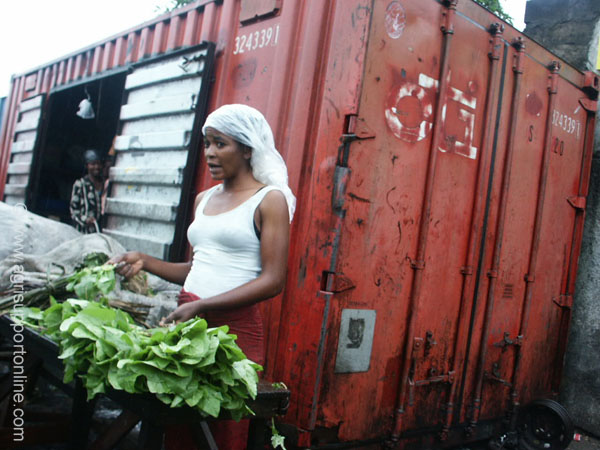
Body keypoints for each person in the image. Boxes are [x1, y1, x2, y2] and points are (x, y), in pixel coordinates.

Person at [110, 104, 295, 449]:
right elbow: (197, 269)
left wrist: (203, 305)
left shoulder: (270, 201)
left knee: (221, 434)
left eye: (219, 143)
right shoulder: (204, 199)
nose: (209, 153)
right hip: (189, 323)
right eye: (206, 143)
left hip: (233, 333)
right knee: (180, 428)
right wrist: (144, 260)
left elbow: (273, 281)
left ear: (247, 148)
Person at [70, 149, 105, 233]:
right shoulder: (80, 184)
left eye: (98, 164)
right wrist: (85, 220)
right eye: (93, 164)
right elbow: (74, 211)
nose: (96, 167)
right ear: (87, 166)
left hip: (100, 231)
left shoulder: (105, 184)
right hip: (84, 231)